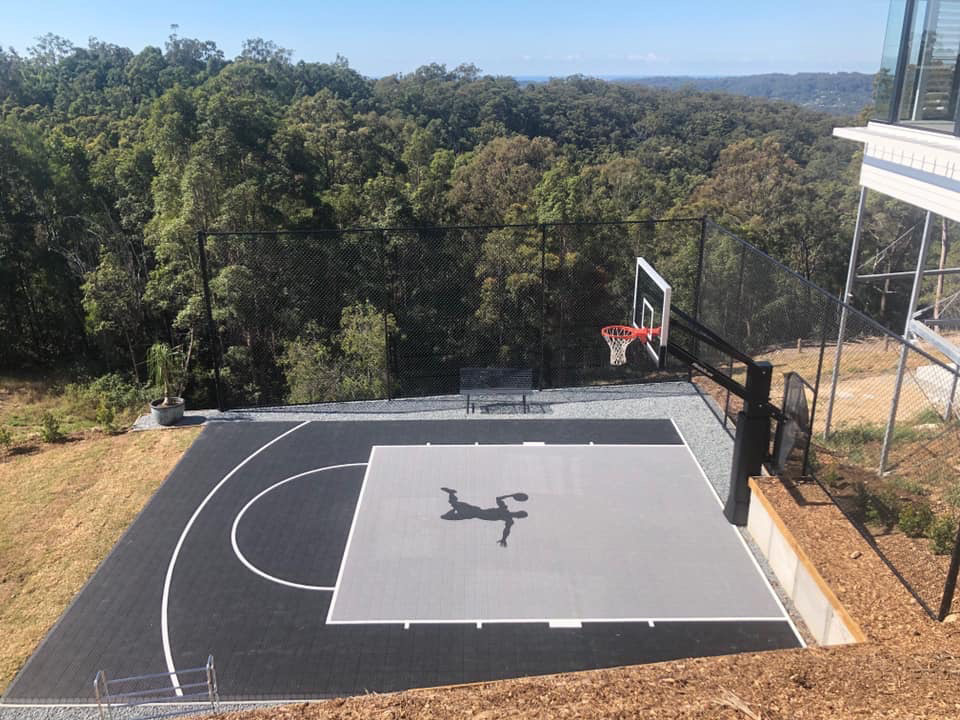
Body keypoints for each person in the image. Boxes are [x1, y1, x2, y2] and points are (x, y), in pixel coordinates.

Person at [440, 487, 528, 546]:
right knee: (453, 508)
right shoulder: (504, 509)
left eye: (520, 516)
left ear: (519, 517)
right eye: (520, 514)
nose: (518, 515)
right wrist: (511, 495)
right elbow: (498, 498)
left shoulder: (508, 519)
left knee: (453, 507)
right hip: (475, 512)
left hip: (475, 513)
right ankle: (451, 494)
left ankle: (451, 494)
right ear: (518, 512)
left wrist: (504, 539)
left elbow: (506, 530)